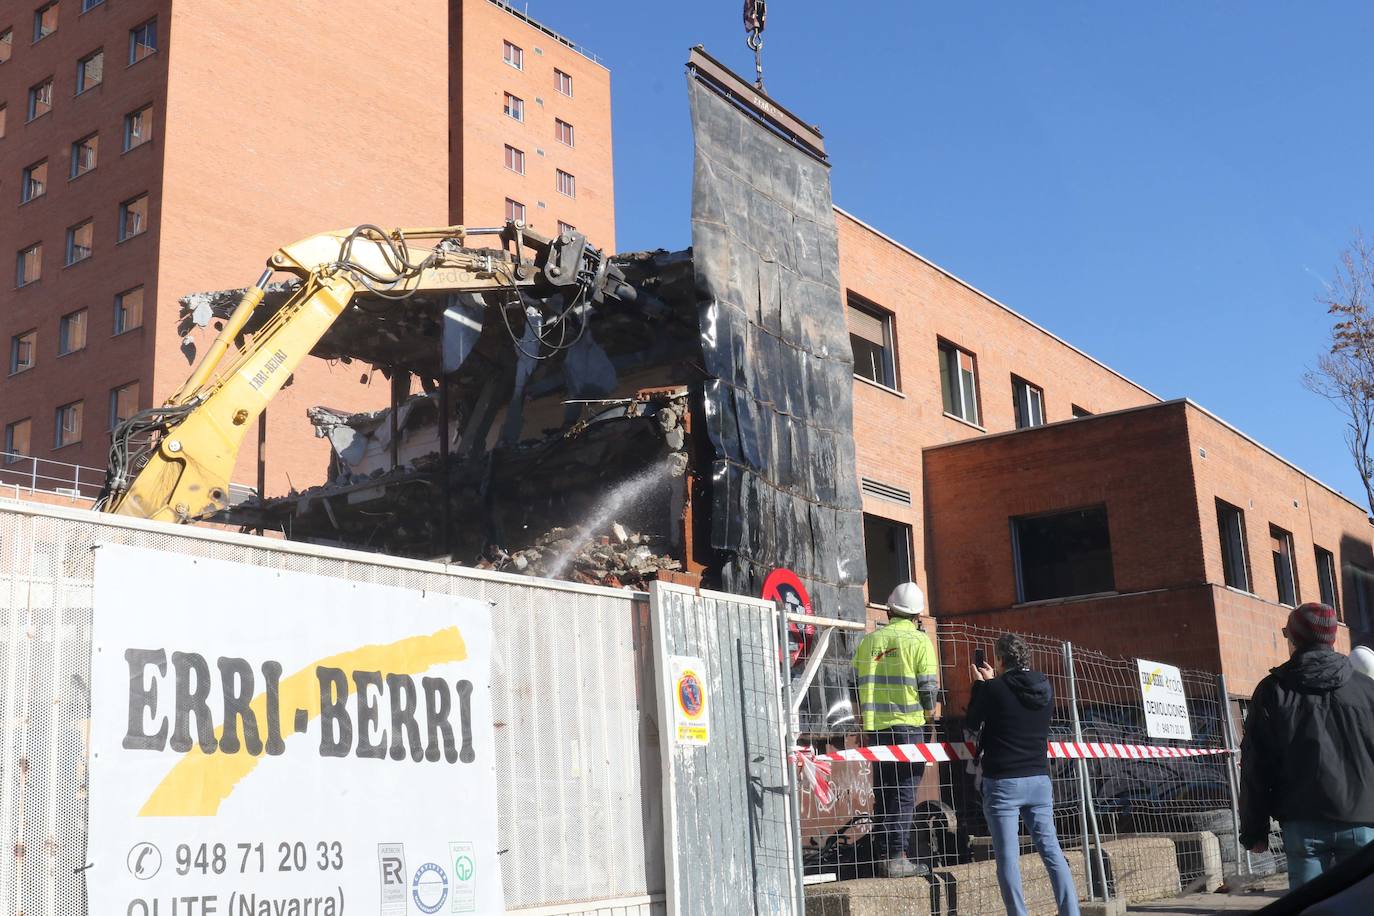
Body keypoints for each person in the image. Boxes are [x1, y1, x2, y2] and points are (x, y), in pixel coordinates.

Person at [1239, 602, 1374, 889]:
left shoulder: (1273, 691)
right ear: (1333, 638)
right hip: (1364, 820)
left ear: (1294, 639)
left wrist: (1255, 831)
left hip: (1303, 821)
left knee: (1309, 906)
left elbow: (1256, 765)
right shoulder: (1367, 691)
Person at [968, 634, 1080, 916]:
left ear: (1000, 659)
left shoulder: (992, 688)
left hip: (1004, 782)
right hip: (1039, 780)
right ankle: (1071, 911)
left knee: (1008, 857)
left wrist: (980, 686)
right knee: (1051, 851)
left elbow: (972, 722)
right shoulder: (1044, 686)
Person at [852, 581, 939, 878]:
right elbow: (928, 688)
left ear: (889, 610)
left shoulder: (869, 643)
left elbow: (856, 685)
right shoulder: (919, 642)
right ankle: (897, 856)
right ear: (916, 615)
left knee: (885, 790)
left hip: (877, 729)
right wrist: (930, 716)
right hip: (909, 728)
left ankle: (885, 855)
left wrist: (863, 722)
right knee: (903, 794)